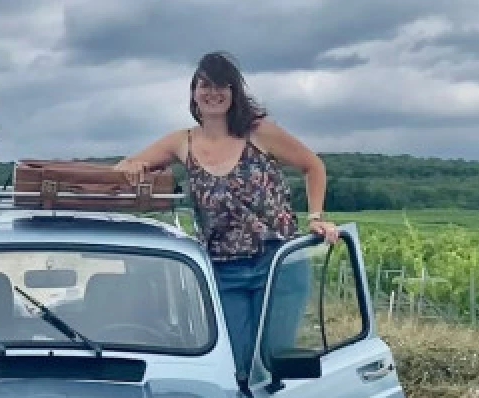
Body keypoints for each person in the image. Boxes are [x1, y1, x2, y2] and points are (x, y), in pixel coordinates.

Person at [114, 51, 339, 377]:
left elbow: (313, 165)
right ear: (193, 93)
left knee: (271, 364)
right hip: (222, 269)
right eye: (205, 84)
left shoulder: (259, 132)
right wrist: (135, 167)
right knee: (234, 366)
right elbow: (124, 167)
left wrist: (315, 217)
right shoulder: (182, 142)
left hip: (276, 262)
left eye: (222, 85)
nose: (212, 92)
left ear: (234, 92)